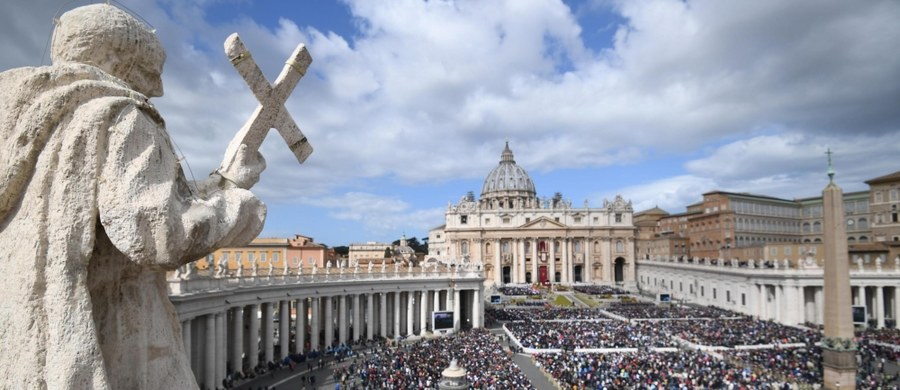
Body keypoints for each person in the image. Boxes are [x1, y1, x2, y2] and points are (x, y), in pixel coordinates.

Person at [0, 4, 266, 389]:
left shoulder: (18, 122)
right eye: (148, 73)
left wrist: (222, 180)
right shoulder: (117, 116)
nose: (156, 90)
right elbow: (159, 233)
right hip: (116, 329)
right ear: (116, 59)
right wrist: (237, 205)